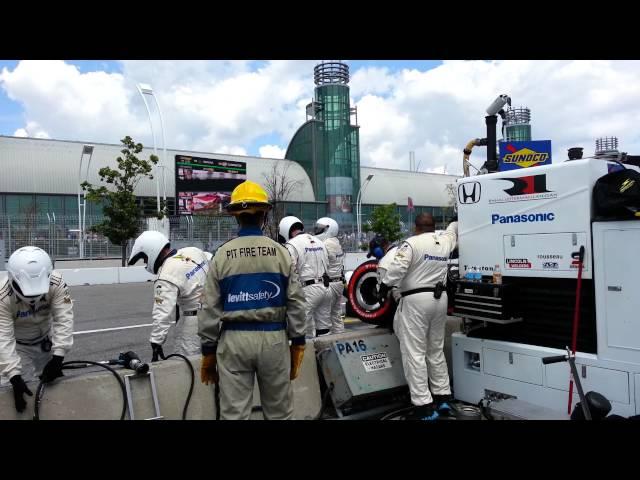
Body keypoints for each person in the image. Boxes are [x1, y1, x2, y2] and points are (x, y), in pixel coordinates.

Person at [198, 181, 307, 420]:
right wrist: (298, 341)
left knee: (234, 414)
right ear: (264, 216)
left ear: (236, 217)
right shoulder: (281, 252)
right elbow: (297, 302)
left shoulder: (221, 255)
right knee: (279, 413)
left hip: (233, 342)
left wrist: (208, 349)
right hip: (274, 341)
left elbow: (209, 307)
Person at [380, 213, 458, 421]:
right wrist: (455, 220)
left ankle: (423, 405)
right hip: (440, 299)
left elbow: (397, 269)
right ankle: (443, 397)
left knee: (414, 353)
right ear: (433, 226)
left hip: (415, 301)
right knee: (435, 349)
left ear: (415, 227)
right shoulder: (444, 242)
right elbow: (453, 231)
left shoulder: (410, 244)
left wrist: (384, 285)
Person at [0, 246, 74, 413]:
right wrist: (13, 375)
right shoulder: (2, 296)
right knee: (18, 393)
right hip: (19, 347)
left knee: (54, 387)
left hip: (45, 341)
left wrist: (58, 357)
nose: (33, 298)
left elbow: (64, 319)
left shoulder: (57, 283)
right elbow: (3, 337)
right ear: (13, 279)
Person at [128, 231, 212, 360]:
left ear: (151, 250)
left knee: (187, 366)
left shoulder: (166, 276)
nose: (146, 262)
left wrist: (156, 341)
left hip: (193, 323)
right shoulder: (193, 251)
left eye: (144, 258)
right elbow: (211, 259)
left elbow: (162, 313)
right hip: (215, 316)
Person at [279, 216, 330, 338]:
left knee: (304, 332)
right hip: (325, 289)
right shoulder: (318, 241)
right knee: (324, 331)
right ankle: (326, 355)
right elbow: (327, 264)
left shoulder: (291, 244)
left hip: (308, 290)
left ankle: (309, 357)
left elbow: (290, 270)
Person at [314, 217, 345, 335]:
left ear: (329, 229)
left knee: (324, 317)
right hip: (338, 282)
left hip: (330, 284)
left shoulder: (325, 244)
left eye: (320, 229)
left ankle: (326, 345)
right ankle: (341, 340)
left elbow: (320, 264)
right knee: (336, 315)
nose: (317, 231)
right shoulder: (336, 242)